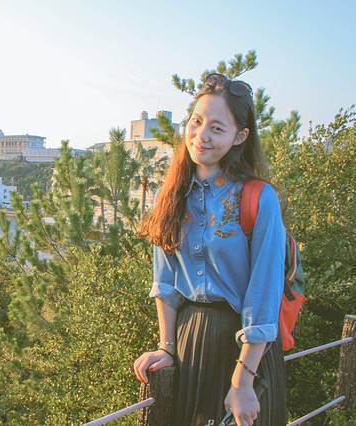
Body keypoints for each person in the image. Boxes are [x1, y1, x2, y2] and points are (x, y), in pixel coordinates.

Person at [133, 73, 287, 426]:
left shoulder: (259, 197)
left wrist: (243, 382)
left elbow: (264, 292)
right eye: (196, 122)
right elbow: (166, 283)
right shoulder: (170, 195)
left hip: (245, 350)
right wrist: (167, 348)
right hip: (190, 341)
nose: (201, 135)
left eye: (217, 129)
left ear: (240, 136)